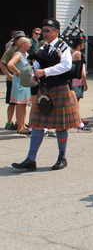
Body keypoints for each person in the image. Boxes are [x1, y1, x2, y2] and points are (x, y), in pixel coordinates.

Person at [12, 19, 79, 171]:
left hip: (59, 89)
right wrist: (36, 75)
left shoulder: (63, 47)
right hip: (45, 90)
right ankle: (31, 159)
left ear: (56, 31)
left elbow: (66, 66)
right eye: (43, 30)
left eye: (48, 30)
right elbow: (37, 63)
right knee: (36, 124)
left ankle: (62, 157)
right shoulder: (43, 47)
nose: (44, 33)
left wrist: (45, 72)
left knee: (61, 127)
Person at [0, 31, 25, 131]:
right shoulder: (11, 50)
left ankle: (20, 123)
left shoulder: (24, 50)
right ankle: (9, 122)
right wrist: (9, 75)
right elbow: (2, 63)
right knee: (12, 102)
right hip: (12, 80)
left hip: (22, 80)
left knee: (21, 102)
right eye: (20, 38)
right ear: (15, 40)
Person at [6, 37, 32, 134]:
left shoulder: (26, 55)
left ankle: (23, 124)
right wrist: (19, 73)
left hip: (25, 82)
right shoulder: (18, 54)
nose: (30, 45)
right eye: (28, 43)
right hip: (20, 82)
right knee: (20, 104)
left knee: (24, 104)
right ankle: (20, 127)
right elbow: (10, 64)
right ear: (22, 44)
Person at [70, 36, 93, 133]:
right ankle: (76, 119)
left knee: (75, 102)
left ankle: (76, 118)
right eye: (83, 43)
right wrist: (85, 82)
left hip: (73, 80)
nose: (84, 45)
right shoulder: (78, 54)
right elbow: (80, 70)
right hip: (77, 80)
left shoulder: (72, 53)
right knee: (76, 102)